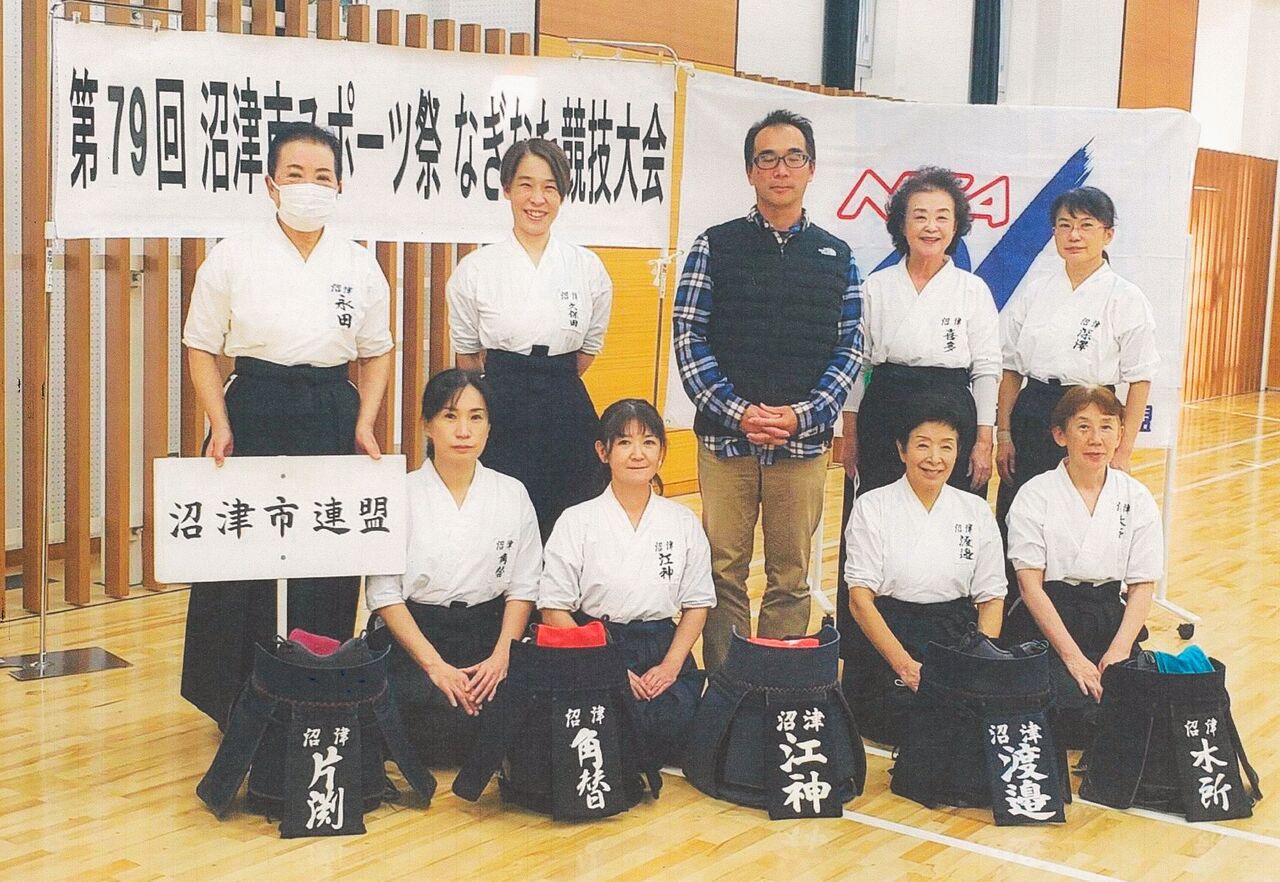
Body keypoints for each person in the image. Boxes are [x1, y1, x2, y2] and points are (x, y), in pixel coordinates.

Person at [179, 121, 393, 726]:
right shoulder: (233, 255)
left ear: (340, 186)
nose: (308, 186)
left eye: (322, 176)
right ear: (270, 184)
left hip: (330, 409)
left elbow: (378, 351)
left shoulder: (359, 264)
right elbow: (200, 346)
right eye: (294, 174)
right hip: (254, 405)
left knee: (324, 556)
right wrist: (219, 422)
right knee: (241, 557)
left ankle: (316, 691)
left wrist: (365, 422)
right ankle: (235, 701)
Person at [673, 108, 863, 673]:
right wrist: (739, 413)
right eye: (768, 158)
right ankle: (728, 694)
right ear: (751, 171)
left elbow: (850, 348)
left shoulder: (837, 255)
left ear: (811, 168)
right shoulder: (715, 245)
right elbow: (688, 337)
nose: (781, 169)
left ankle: (772, 691)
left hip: (802, 446)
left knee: (791, 576)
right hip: (725, 443)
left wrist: (804, 415)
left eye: (793, 157)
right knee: (721, 573)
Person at [836, 166, 1000, 668]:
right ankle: (870, 653)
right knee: (877, 514)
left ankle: (956, 648)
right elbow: (857, 364)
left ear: (957, 224)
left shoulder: (972, 290)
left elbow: (987, 368)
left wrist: (984, 438)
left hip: (953, 411)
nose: (931, 226)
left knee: (951, 516)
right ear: (901, 224)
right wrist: (850, 431)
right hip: (886, 407)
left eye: (942, 216)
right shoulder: (877, 286)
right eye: (920, 216)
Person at [365, 369, 540, 766]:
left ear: (489, 427)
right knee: (413, 711)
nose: (464, 431)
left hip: (488, 634)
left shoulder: (512, 493)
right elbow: (384, 594)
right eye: (449, 416)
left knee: (517, 707)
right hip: (418, 637)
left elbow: (524, 585)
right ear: (427, 425)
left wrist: (501, 657)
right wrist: (436, 668)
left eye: (476, 417)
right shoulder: (401, 493)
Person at [447, 138, 613, 540]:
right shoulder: (475, 269)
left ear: (562, 195)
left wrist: (551, 376)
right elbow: (467, 355)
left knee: (571, 520)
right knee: (503, 521)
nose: (537, 199)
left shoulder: (587, 267)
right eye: (526, 185)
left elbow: (588, 349)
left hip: (566, 401)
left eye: (550, 188)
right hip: (502, 402)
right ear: (507, 189)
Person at [538, 399, 714, 767]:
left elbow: (698, 603)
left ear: (662, 452)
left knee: (677, 725)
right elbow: (553, 609)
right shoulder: (576, 520)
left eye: (648, 442)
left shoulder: (682, 521)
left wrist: (670, 667)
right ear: (603, 452)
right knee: (602, 729)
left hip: (660, 645)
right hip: (595, 645)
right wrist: (607, 666)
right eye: (624, 442)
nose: (637, 454)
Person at [1002, 385, 1162, 747]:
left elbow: (1142, 585)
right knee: (1064, 713)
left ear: (1121, 434)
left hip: (1109, 620)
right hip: (1048, 619)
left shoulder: (1136, 497)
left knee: (1134, 711)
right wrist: (1073, 658)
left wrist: (1119, 652)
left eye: (1106, 427)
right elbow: (1029, 586)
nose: (1096, 439)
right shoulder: (1034, 495)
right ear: (1061, 435)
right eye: (1083, 426)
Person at [842, 397, 1006, 745]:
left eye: (946, 446)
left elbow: (992, 598)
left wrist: (979, 662)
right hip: (890, 636)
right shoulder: (872, 506)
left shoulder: (975, 511)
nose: (934, 458)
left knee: (966, 722)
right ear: (902, 451)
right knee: (900, 720)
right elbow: (859, 600)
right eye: (922, 445)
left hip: (954, 637)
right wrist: (904, 666)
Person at [996, 186, 1159, 534]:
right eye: (1064, 225)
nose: (1074, 235)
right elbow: (1010, 369)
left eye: (1086, 225)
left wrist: (1123, 450)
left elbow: (1141, 379)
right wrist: (1004, 435)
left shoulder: (1126, 297)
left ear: (1108, 234)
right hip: (1033, 411)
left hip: (1092, 415)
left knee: (1079, 520)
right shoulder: (1035, 291)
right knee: (1021, 517)